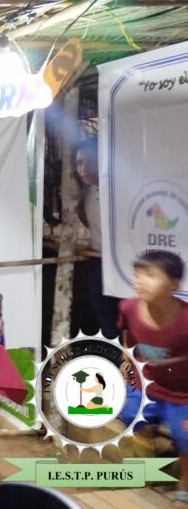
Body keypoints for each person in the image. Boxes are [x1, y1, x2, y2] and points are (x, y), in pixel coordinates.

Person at [117, 250, 188, 509]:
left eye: (150, 275)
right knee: (126, 411)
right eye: (137, 275)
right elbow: (129, 338)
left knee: (187, 440)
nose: (140, 281)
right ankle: (158, 440)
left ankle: (184, 484)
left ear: (173, 284)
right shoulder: (128, 307)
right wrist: (126, 364)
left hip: (183, 394)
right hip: (147, 384)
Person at [76, 139, 120, 338]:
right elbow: (88, 222)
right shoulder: (86, 192)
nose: (83, 169)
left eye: (90, 161)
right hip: (97, 262)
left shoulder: (118, 191)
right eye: (79, 163)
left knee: (124, 316)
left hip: (121, 264)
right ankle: (114, 351)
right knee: (105, 319)